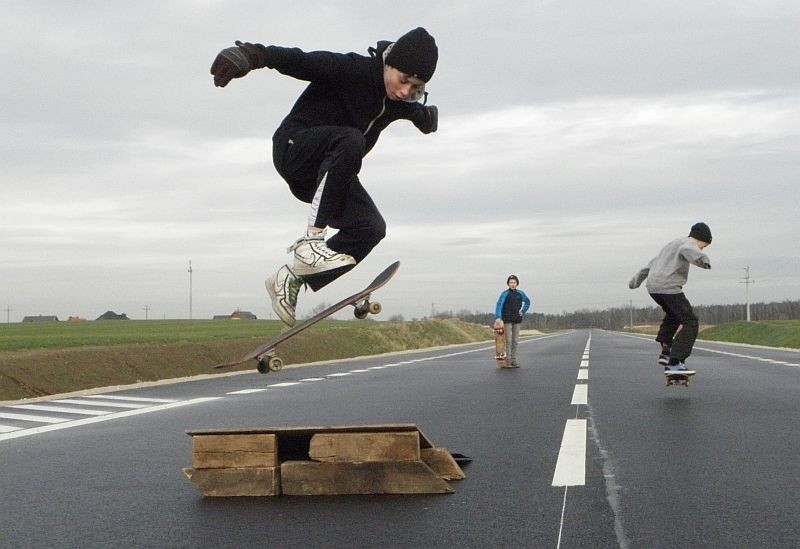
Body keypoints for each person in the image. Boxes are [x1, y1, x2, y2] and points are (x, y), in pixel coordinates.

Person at [210, 28, 439, 325]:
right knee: (351, 140)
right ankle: (311, 244)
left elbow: (412, 111)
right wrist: (253, 55)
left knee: (370, 227)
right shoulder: (352, 70)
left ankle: (290, 280)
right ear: (388, 64)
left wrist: (426, 117)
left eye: (417, 88)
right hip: (294, 149)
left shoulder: (397, 101)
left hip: (325, 175)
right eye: (404, 81)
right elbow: (301, 61)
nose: (405, 91)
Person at [628, 222, 712, 372]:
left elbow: (651, 264)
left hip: (653, 288)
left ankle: (666, 351)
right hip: (668, 287)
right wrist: (703, 259)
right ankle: (675, 361)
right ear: (700, 239)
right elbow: (690, 250)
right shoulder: (689, 243)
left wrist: (635, 281)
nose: (702, 248)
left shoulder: (671, 245)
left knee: (673, 315)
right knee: (690, 321)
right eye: (704, 246)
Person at [494, 275, 532, 368]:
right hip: (507, 319)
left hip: (517, 319)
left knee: (515, 341)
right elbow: (499, 304)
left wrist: (523, 311)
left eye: (514, 282)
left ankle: (514, 361)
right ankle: (508, 361)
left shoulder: (520, 293)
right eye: (511, 282)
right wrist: (498, 317)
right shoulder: (505, 294)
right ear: (508, 283)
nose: (513, 284)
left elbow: (527, 301)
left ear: (517, 283)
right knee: (508, 340)